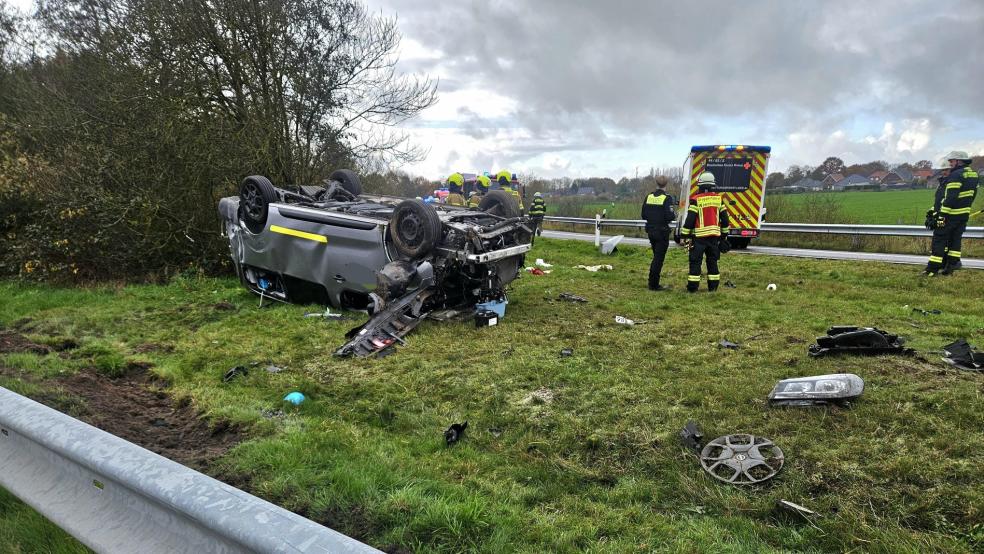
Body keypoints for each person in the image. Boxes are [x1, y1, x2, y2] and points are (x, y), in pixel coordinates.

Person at [924, 151, 978, 275]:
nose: (950, 164)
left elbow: (950, 199)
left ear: (959, 161)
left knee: (939, 238)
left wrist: (941, 216)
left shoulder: (955, 175)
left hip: (949, 216)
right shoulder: (973, 175)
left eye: (951, 161)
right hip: (962, 216)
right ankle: (951, 267)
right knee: (955, 241)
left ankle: (932, 270)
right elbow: (972, 195)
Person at [680, 171, 729, 292]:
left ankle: (692, 288)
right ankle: (713, 288)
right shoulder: (719, 199)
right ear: (713, 184)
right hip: (714, 239)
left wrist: (684, 235)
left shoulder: (696, 200)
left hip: (699, 239)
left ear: (700, 185)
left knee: (695, 262)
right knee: (712, 262)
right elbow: (725, 220)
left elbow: (690, 220)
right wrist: (723, 236)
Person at [641, 175, 675, 291]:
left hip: (650, 231)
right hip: (662, 232)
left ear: (656, 184)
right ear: (666, 184)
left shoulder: (649, 197)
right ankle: (654, 285)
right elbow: (670, 216)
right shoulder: (667, 198)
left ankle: (652, 282)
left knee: (656, 256)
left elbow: (643, 215)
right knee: (658, 259)